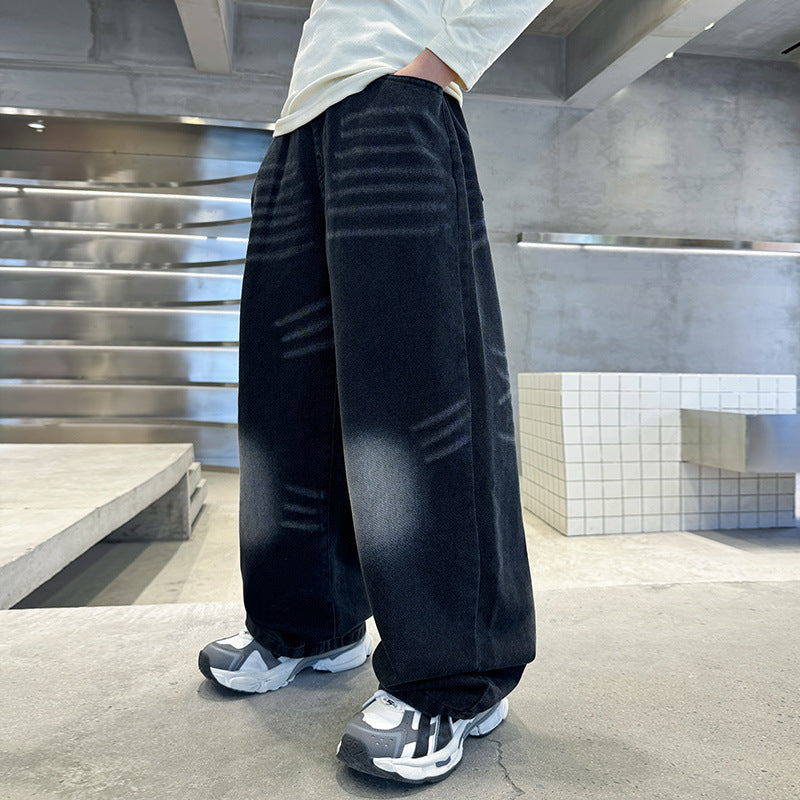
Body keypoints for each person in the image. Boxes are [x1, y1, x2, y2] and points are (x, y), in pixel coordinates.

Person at [199, 0, 553, 785]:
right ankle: (310, 624)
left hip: (396, 97)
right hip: (301, 123)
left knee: (419, 395)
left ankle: (455, 674)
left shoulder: (410, 85)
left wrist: (439, 64)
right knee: (287, 402)